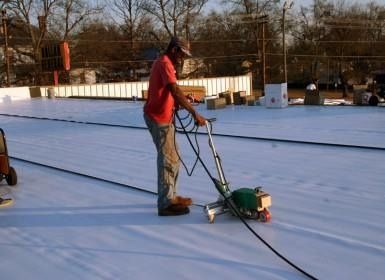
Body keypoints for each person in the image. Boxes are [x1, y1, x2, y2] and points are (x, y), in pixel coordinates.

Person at [143, 37, 206, 216]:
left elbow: (170, 92)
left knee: (173, 157)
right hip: (158, 118)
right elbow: (174, 90)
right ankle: (165, 203)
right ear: (174, 50)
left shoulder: (166, 63)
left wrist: (176, 104)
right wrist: (194, 113)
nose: (183, 58)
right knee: (167, 159)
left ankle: (171, 195)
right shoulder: (164, 63)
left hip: (164, 116)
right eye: (182, 54)